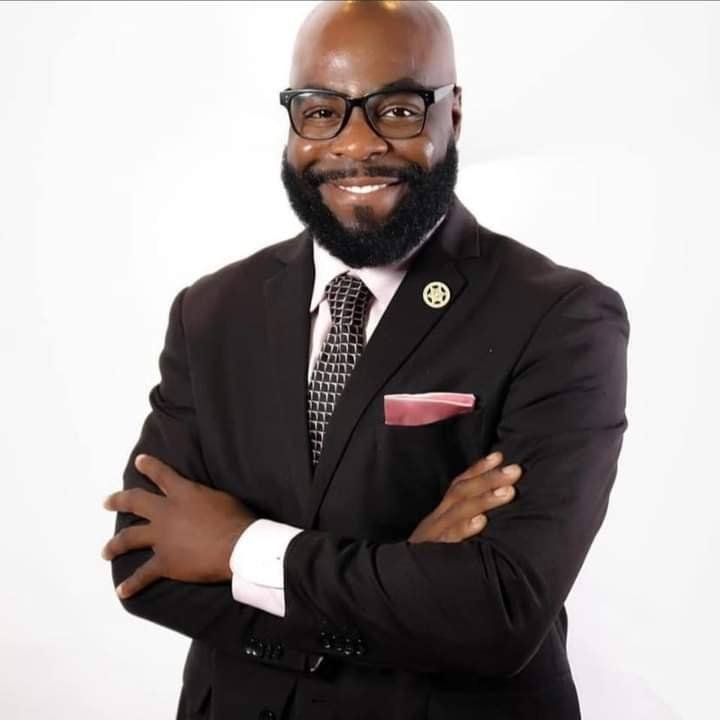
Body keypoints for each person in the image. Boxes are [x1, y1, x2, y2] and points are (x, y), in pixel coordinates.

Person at [101, 1, 629, 718]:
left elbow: (498, 609)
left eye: (398, 110)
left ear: (453, 115)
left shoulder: (560, 318)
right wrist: (406, 570)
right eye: (322, 111)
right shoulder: (212, 311)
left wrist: (238, 550)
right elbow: (144, 565)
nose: (356, 143)